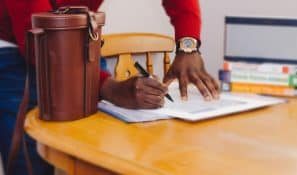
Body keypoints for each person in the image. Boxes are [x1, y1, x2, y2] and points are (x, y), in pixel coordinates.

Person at [0, 0, 220, 174]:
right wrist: (109, 87)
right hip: (16, 49)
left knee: (98, 148)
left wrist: (188, 46)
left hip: (77, 39)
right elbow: (37, 42)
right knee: (30, 158)